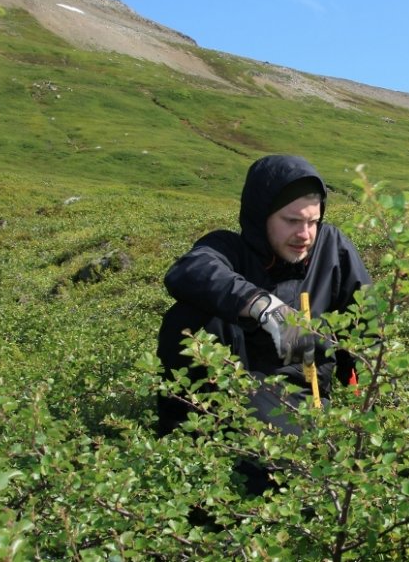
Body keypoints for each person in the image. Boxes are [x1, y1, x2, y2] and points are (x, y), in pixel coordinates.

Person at [156, 154, 371, 443]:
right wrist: (264, 306)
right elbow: (188, 271)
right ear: (261, 216)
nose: (305, 235)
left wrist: (371, 398)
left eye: (313, 221)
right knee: (190, 314)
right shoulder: (229, 248)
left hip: (300, 394)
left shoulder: (331, 248)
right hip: (231, 384)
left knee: (278, 465)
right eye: (292, 220)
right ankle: (185, 435)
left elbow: (369, 325)